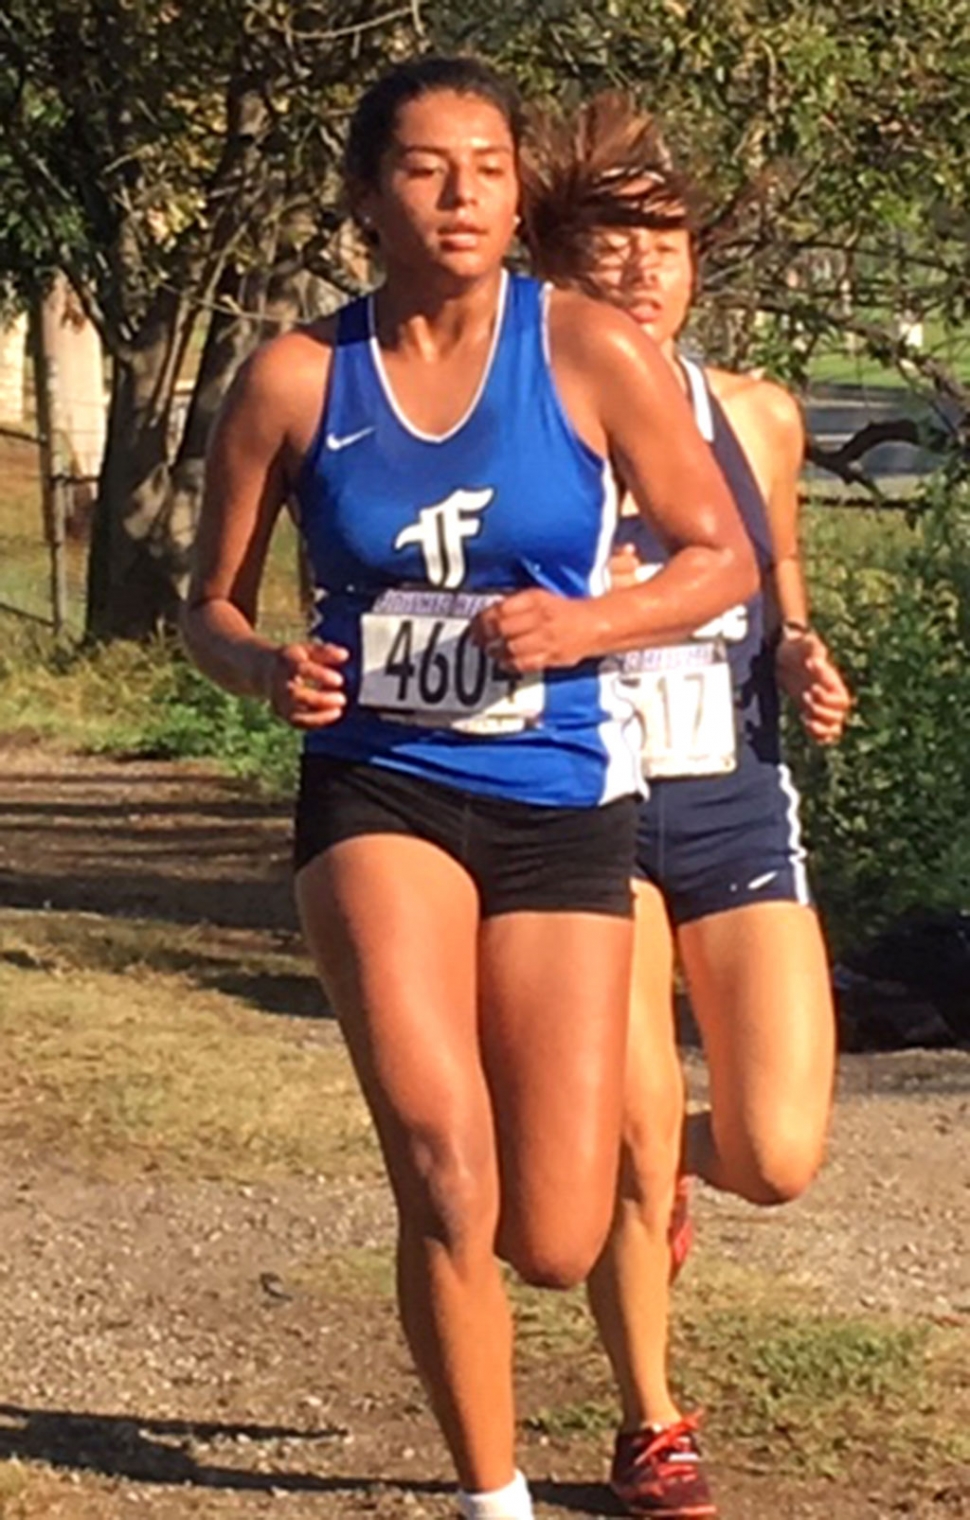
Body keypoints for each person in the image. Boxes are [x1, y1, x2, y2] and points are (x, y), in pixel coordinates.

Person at [181, 57, 756, 1520]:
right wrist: (265, 674)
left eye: (488, 168)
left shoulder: (584, 352)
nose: (462, 195)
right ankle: (487, 1496)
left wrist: (586, 625)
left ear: (514, 194)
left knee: (553, 1232)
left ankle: (553, 1217)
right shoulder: (299, 376)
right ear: (369, 194)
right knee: (441, 1166)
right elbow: (210, 607)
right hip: (380, 788)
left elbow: (719, 555)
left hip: (560, 793)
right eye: (429, 168)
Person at [523, 94, 852, 1518]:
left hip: (729, 794)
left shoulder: (759, 416)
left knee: (773, 1153)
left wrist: (804, 652)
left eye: (667, 242)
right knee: (638, 1121)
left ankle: (628, 1168)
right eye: (613, 241)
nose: (646, 268)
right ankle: (651, 1421)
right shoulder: (528, 414)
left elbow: (773, 591)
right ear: (557, 257)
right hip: (587, 792)